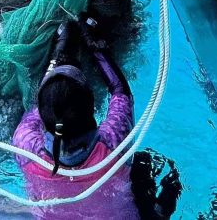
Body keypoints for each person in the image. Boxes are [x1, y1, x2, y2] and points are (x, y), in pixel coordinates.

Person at [12, 18, 138, 219]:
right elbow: (120, 92)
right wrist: (95, 44)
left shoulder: (26, 147)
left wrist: (59, 52)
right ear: (91, 110)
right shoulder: (113, 142)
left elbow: (37, 107)